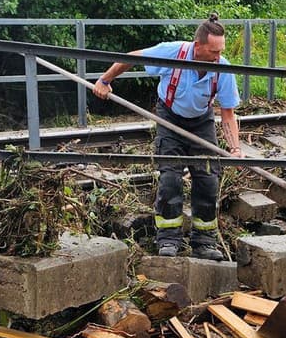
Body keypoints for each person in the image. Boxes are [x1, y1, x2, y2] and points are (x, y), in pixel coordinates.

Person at [90, 15, 242, 261]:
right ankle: (168, 239)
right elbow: (132, 57)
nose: (218, 56)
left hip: (201, 123)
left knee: (208, 180)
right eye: (213, 51)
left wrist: (235, 148)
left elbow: (227, 114)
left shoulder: (221, 68)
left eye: (220, 51)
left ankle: (204, 242)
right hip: (170, 119)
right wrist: (105, 81)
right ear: (198, 46)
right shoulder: (172, 53)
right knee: (170, 178)